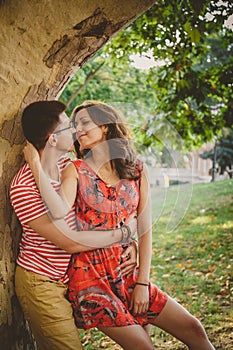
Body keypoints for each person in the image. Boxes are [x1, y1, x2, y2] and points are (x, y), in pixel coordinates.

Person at [24, 100, 215, 350]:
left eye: (84, 123)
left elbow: (145, 230)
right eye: (74, 124)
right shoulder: (75, 169)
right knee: (143, 347)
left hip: (127, 272)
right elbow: (59, 210)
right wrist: (35, 166)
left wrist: (143, 284)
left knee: (194, 329)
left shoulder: (136, 169)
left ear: (105, 127)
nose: (77, 129)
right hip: (91, 278)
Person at [10, 100, 138, 350]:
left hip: (76, 276)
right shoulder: (23, 187)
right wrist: (124, 233)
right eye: (69, 126)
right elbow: (68, 241)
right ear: (53, 139)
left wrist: (129, 241)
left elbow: (100, 213)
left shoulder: (67, 166)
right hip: (42, 283)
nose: (76, 131)